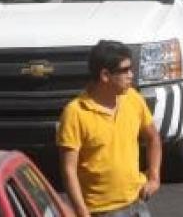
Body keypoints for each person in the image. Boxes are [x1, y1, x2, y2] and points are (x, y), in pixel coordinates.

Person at [58, 40, 162, 217]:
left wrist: (154, 177)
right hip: (100, 211)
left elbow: (153, 137)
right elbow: (68, 170)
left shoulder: (132, 99)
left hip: (137, 204)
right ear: (105, 75)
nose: (131, 75)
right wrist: (82, 211)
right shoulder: (75, 113)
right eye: (125, 70)